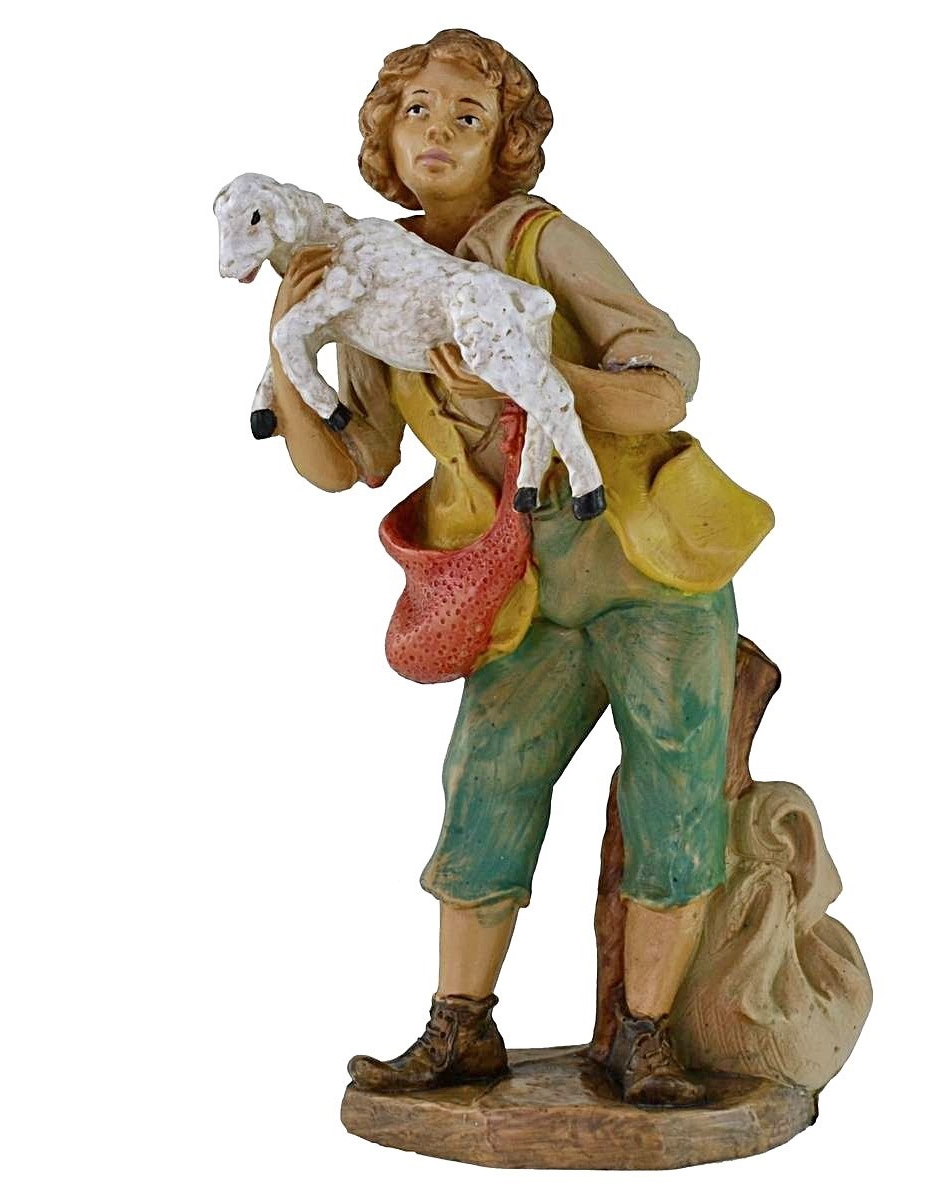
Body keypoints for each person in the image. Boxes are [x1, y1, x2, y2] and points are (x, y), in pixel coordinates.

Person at [264, 28, 773, 1106]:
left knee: (674, 793)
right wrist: (282, 341)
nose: (439, 132)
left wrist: (539, 379)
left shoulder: (541, 241)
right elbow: (347, 463)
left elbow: (665, 382)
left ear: (506, 144)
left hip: (644, 565)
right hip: (522, 589)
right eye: (417, 111)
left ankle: (646, 1038)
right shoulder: (370, 273)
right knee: (484, 786)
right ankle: (461, 1027)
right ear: (382, 137)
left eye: (469, 116)